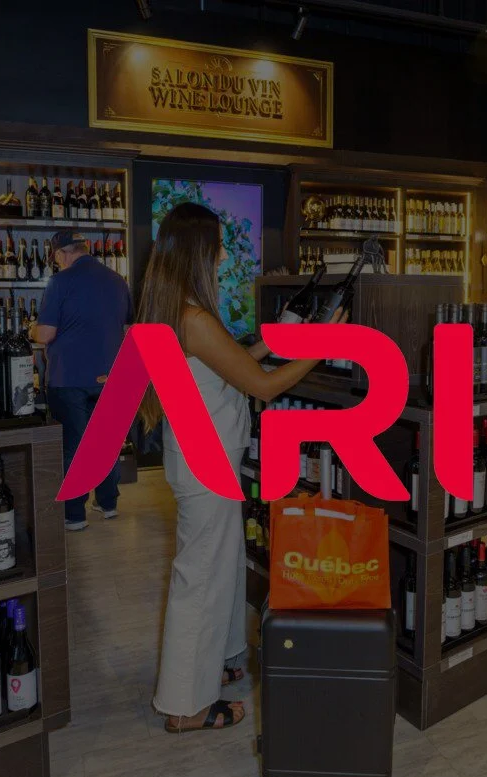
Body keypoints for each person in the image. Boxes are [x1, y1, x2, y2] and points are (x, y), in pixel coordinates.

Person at [138, 202, 347, 733]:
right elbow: (263, 385)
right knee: (201, 578)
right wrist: (324, 342)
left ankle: (221, 661)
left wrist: (274, 340)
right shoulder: (195, 318)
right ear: (196, 252)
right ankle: (185, 706)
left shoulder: (175, 309)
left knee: (219, 567)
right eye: (218, 245)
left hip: (198, 458)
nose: (226, 253)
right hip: (206, 462)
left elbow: (232, 363)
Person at [33, 230, 133, 531]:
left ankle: (74, 515)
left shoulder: (60, 282)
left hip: (68, 377)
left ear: (62, 254)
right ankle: (108, 502)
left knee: (74, 446)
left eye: (56, 258)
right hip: (109, 376)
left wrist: (31, 332)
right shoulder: (118, 281)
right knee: (105, 442)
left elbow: (46, 333)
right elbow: (128, 330)